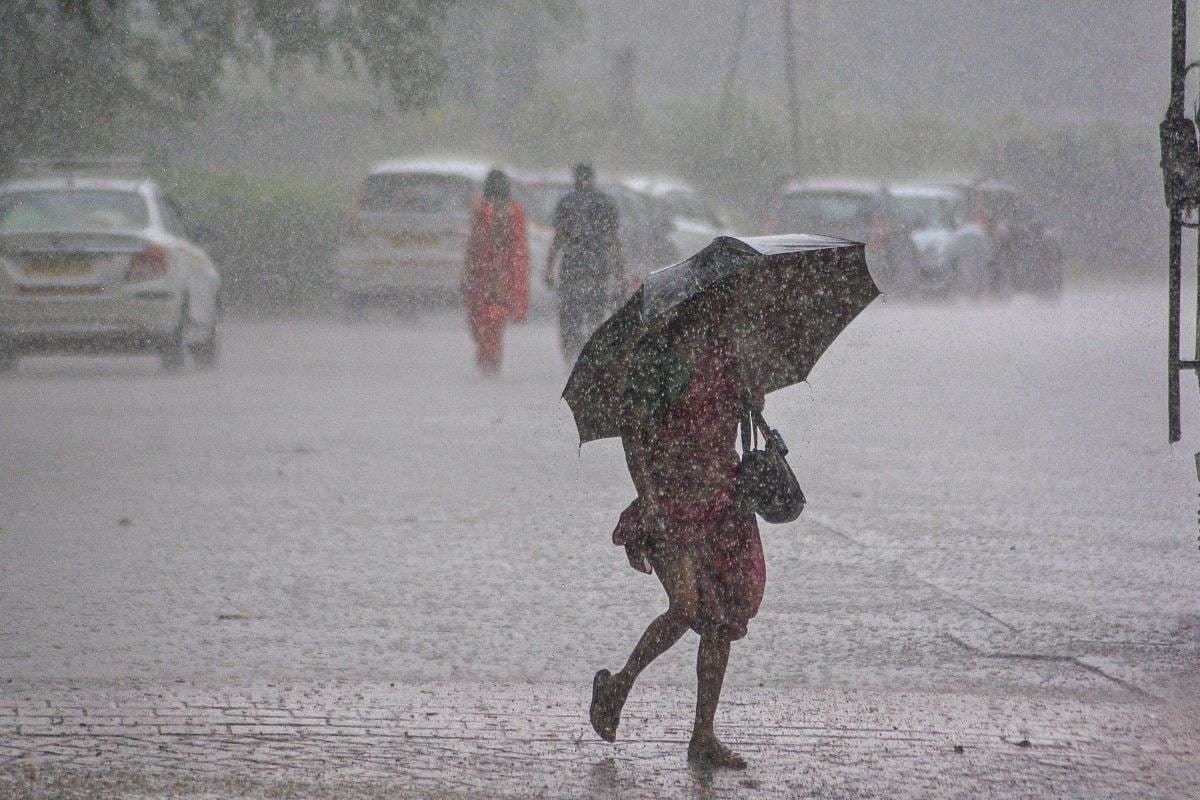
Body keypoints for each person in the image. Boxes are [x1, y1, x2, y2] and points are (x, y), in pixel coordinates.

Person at [588, 293, 766, 769]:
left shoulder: (731, 353)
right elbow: (633, 433)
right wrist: (648, 499)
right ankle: (619, 686)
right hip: (670, 502)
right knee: (685, 607)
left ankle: (702, 735)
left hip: (724, 500)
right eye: (718, 307)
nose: (725, 314)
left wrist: (753, 396)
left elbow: (742, 414)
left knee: (721, 620)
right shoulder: (657, 358)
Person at [544, 163, 624, 361]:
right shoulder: (605, 203)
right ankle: (592, 352)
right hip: (598, 266)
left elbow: (558, 238)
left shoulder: (566, 203)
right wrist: (620, 270)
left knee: (570, 313)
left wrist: (549, 268)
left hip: (572, 267)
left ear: (575, 178)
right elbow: (613, 240)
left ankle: (571, 352)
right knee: (596, 312)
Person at [462, 169, 529, 375]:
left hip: (482, 273)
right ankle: (490, 358)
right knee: (494, 318)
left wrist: (469, 271)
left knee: (482, 318)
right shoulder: (513, 212)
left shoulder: (483, 210)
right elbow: (519, 248)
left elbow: (474, 244)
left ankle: (488, 358)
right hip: (502, 274)